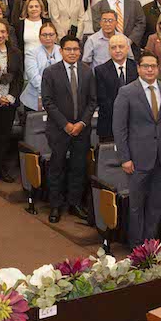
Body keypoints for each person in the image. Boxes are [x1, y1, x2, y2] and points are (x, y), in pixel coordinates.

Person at [113, 53, 161, 247]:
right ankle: (136, 247)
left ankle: (150, 246)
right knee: (137, 206)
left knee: (157, 205)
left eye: (153, 66)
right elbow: (119, 128)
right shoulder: (127, 92)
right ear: (139, 69)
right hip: (137, 159)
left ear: (158, 68)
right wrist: (125, 157)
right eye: (146, 66)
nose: (150, 70)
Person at [41, 36, 94, 223]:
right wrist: (66, 124)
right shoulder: (50, 72)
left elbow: (92, 101)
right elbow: (47, 101)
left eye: (75, 49)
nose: (72, 53)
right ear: (61, 51)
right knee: (57, 167)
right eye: (68, 49)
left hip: (82, 130)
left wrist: (82, 123)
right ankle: (55, 205)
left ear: (80, 51)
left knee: (78, 167)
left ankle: (75, 203)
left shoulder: (88, 72)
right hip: (58, 129)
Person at [93, 34, 140, 141]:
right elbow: (102, 100)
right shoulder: (100, 71)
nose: (117, 50)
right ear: (109, 50)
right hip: (109, 124)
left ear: (128, 48)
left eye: (121, 46)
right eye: (113, 47)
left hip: (135, 124)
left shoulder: (137, 68)